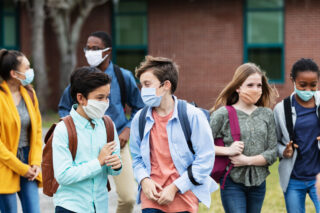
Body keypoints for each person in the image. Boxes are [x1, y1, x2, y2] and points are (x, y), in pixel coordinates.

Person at [58, 31, 143, 213]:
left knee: (128, 198)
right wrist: (75, 129)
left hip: (116, 142)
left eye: (95, 48)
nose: (90, 52)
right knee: (87, 191)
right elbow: (64, 108)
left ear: (108, 51)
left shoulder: (123, 76)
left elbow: (139, 107)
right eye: (87, 48)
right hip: (84, 143)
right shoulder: (80, 79)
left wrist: (126, 131)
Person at [130, 56, 218, 213]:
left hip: (184, 196)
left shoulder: (192, 116)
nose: (142, 90)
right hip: (151, 197)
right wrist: (144, 180)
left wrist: (174, 187)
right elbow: (136, 158)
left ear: (166, 85)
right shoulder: (140, 118)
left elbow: (205, 158)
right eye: (141, 85)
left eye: (147, 84)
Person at [210, 63, 278, 213]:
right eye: (250, 85)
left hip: (259, 182)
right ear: (238, 87)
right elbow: (201, 146)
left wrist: (247, 160)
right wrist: (228, 150)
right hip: (232, 182)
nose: (256, 89)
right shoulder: (223, 114)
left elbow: (273, 151)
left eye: (259, 85)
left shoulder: (267, 114)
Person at [52, 67, 122, 213]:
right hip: (71, 207)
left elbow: (112, 170)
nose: (105, 102)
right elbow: (63, 176)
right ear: (81, 98)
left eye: (107, 97)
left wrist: (116, 165)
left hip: (100, 206)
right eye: (99, 98)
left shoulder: (108, 125)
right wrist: (98, 162)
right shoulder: (63, 129)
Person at [273, 58, 320, 213]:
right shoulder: (281, 109)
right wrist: (283, 151)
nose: (308, 90)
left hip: (318, 177)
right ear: (292, 80)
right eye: (302, 85)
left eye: (313, 85)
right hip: (293, 178)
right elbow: (274, 142)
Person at [0, 49, 42, 213]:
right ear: (14, 73)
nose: (30, 71)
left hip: (28, 161)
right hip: (5, 164)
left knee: (33, 210)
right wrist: (20, 168)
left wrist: (35, 163)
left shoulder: (30, 94)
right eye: (27, 68)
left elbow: (38, 131)